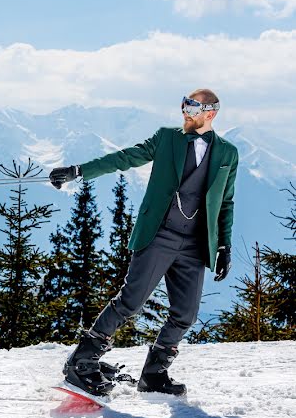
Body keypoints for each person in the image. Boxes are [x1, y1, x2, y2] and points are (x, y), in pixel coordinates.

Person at [48, 89, 238, 397]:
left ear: (210, 113)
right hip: (159, 233)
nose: (185, 111)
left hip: (194, 243)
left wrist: (223, 245)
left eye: (192, 106)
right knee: (131, 301)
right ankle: (82, 360)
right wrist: (79, 171)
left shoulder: (228, 153)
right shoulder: (167, 138)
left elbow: (226, 201)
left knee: (185, 313)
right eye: (184, 104)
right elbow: (125, 158)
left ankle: (154, 374)